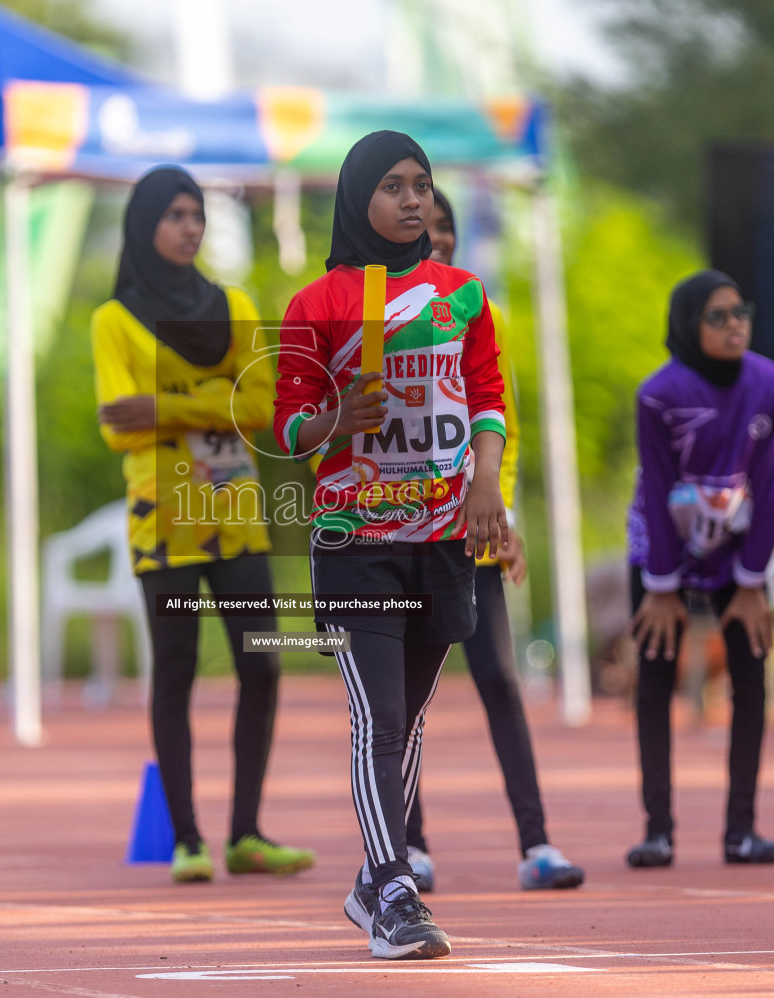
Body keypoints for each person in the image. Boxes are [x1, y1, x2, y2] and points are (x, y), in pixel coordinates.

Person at [274, 130, 507, 960]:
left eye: (421, 185)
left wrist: (487, 483)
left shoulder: (465, 295)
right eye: (393, 187)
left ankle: (374, 885)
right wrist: (337, 419)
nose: (412, 200)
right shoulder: (319, 304)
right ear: (357, 200)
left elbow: (487, 398)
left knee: (405, 724)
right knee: (375, 716)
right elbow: (289, 428)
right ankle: (395, 883)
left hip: (442, 535)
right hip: (356, 539)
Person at [92, 165, 314, 884]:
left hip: (237, 516)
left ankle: (246, 833)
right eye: (176, 215)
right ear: (145, 225)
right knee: (176, 670)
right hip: (165, 520)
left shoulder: (239, 305)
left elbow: (261, 409)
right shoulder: (114, 320)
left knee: (262, 664)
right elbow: (117, 429)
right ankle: (188, 839)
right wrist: (215, 396)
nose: (191, 227)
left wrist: (167, 407)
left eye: (198, 215)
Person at [401, 189, 584, 892]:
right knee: (405, 699)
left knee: (501, 680)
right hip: (401, 531)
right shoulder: (374, 313)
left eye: (448, 229)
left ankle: (537, 843)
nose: (440, 240)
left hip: (468, 530)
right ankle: (407, 846)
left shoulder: (480, 309)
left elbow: (496, 420)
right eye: (428, 229)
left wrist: (498, 511)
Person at [626, 271, 774, 870]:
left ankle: (741, 831)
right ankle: (658, 831)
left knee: (751, 677)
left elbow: (773, 488)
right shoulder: (659, 393)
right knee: (655, 676)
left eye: (740, 311)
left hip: (738, 551)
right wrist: (663, 588)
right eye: (717, 316)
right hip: (662, 545)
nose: (735, 325)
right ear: (688, 326)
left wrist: (753, 584)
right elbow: (657, 485)